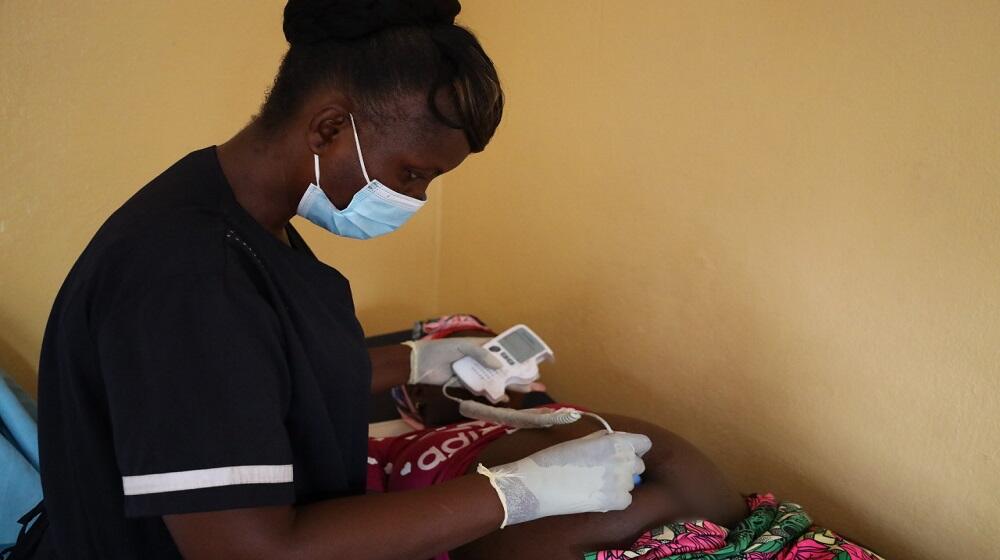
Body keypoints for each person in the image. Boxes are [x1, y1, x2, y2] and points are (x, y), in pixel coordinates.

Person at [33, 2, 654, 559]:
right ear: (330, 129)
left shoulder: (234, 210)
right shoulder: (191, 280)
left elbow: (258, 370)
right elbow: (251, 553)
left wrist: (419, 361)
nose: (415, 199)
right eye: (411, 174)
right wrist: (522, 493)